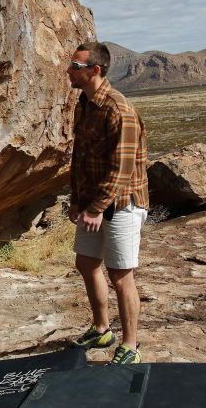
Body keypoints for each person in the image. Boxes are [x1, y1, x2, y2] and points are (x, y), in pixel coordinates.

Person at [66, 41, 149, 365]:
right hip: (93, 203)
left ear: (94, 70)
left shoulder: (119, 110)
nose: (69, 70)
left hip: (124, 203)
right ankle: (101, 328)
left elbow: (121, 170)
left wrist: (95, 208)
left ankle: (130, 345)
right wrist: (77, 199)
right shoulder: (84, 104)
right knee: (86, 263)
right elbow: (80, 157)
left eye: (75, 65)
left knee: (120, 275)